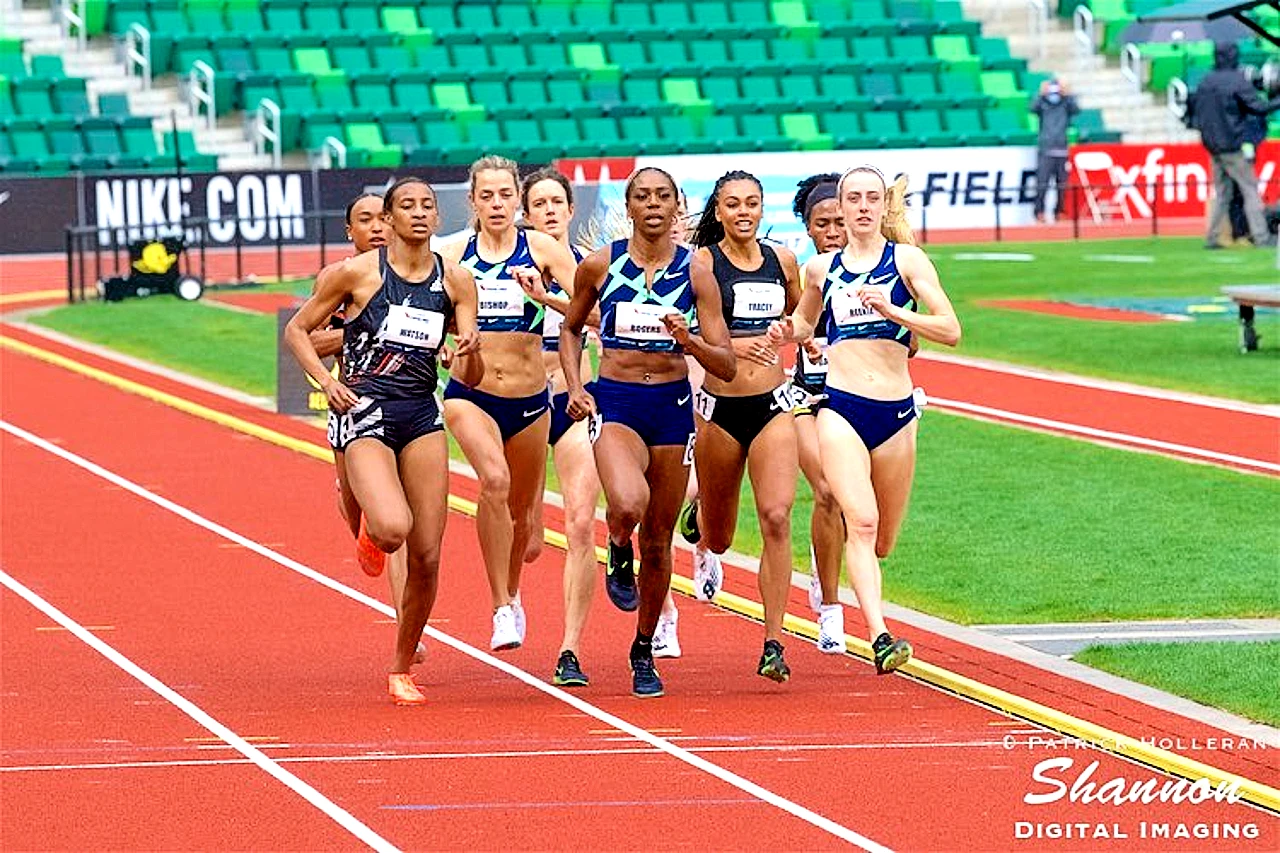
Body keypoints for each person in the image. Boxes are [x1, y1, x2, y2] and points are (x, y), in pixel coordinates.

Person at [284, 177, 480, 704]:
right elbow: (297, 331)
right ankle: (370, 520)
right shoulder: (354, 275)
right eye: (406, 208)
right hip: (363, 408)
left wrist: (468, 350)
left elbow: (471, 371)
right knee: (393, 528)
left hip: (420, 413)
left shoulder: (457, 281)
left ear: (438, 218)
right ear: (389, 220)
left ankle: (400, 665)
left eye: (427, 207)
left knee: (429, 554)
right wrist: (329, 382)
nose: (418, 215)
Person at [767, 166, 960, 675]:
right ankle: (878, 634)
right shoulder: (820, 270)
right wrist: (789, 332)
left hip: (896, 413)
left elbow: (950, 329)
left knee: (883, 541)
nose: (862, 207)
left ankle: (867, 600)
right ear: (843, 206)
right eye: (853, 198)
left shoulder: (908, 261)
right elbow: (806, 321)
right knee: (862, 520)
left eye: (872, 198)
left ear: (882, 207)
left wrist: (897, 313)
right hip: (841, 406)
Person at [560, 166, 736, 698]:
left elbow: (725, 363)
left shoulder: (697, 273)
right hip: (615, 401)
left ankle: (642, 650)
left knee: (659, 543)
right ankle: (616, 542)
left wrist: (690, 341)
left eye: (663, 196)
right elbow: (570, 329)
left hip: (672, 405)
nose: (653, 204)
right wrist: (575, 385)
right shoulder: (600, 264)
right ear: (629, 206)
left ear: (677, 207)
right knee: (629, 504)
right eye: (643, 196)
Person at [440, 155, 580, 652]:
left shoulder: (541, 248)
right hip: (469, 393)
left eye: (505, 195)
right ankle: (500, 606)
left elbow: (592, 308)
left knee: (524, 518)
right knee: (494, 481)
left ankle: (514, 594)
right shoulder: (453, 254)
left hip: (528, 399)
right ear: (472, 201)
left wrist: (546, 298)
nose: (496, 204)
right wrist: (444, 340)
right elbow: (432, 313)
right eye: (487, 195)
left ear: (517, 199)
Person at [677, 170, 802, 682]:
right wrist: (731, 346)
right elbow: (696, 332)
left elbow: (799, 311)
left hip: (772, 404)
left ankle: (774, 640)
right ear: (719, 211)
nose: (744, 211)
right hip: (720, 409)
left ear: (762, 207)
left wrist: (788, 331)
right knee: (722, 537)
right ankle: (702, 517)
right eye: (733, 204)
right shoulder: (703, 263)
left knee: (776, 516)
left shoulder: (783, 261)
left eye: (752, 202)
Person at [306, 193, 423, 661]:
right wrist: (364, 330)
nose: (376, 227)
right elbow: (310, 338)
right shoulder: (338, 278)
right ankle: (352, 505)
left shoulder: (417, 274)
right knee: (366, 519)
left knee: (403, 529)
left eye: (382, 218)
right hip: (354, 406)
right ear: (349, 232)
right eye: (364, 220)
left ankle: (406, 630)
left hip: (410, 407)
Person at [519, 166, 602, 687]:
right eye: (540, 203)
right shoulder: (510, 264)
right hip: (523, 404)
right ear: (527, 215)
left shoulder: (591, 272)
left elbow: (596, 320)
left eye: (557, 202)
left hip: (574, 400)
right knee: (526, 539)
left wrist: (548, 298)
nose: (549, 210)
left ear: (572, 211)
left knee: (580, 522)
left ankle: (570, 647)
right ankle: (510, 593)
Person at [789, 173, 851, 654]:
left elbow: (910, 345)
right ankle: (831, 609)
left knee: (861, 511)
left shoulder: (871, 272)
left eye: (839, 222)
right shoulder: (801, 274)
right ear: (808, 228)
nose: (833, 231)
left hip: (859, 398)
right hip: (806, 397)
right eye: (822, 223)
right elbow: (783, 325)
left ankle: (822, 555)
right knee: (826, 489)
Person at [1190, 42, 1280, 249]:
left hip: (1212, 147)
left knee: (1222, 194)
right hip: (1233, 146)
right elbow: (1259, 107)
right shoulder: (1237, 82)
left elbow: (1197, 112)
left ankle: (1212, 238)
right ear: (1234, 56)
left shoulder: (1206, 81)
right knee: (1250, 190)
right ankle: (1262, 237)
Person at [1029, 77, 1079, 223]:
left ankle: (1059, 211)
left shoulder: (1065, 103)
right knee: (1042, 183)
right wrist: (1041, 93)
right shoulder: (1042, 103)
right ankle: (1039, 212)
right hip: (1046, 149)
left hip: (1062, 149)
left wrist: (1067, 93)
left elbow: (1076, 110)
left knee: (1062, 184)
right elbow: (1032, 108)